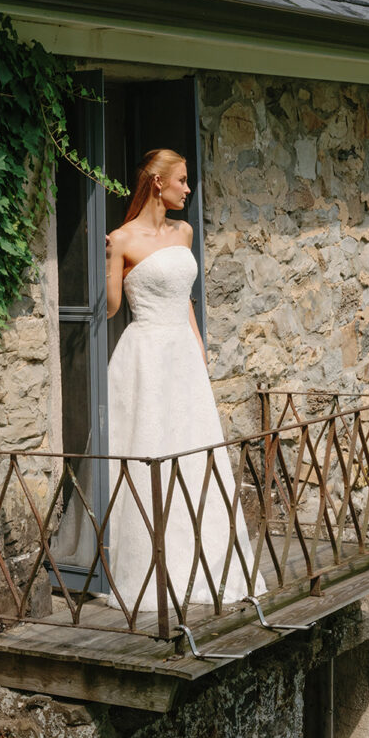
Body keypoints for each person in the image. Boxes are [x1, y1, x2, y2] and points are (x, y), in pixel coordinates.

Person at [104, 148, 264, 615]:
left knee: (194, 450)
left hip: (183, 355)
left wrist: (198, 345)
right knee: (149, 445)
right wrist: (109, 260)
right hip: (145, 353)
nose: (188, 189)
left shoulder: (184, 232)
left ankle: (205, 557)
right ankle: (146, 563)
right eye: (182, 180)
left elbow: (186, 297)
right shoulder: (123, 238)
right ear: (159, 183)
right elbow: (111, 308)